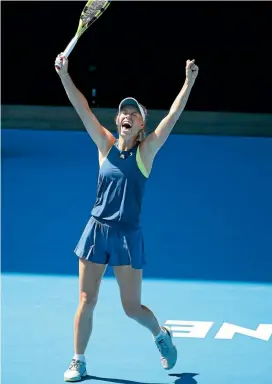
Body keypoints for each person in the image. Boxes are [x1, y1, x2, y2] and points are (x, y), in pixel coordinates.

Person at [54, 52, 199, 382]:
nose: (127, 116)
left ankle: (160, 335)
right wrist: (64, 75)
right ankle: (79, 361)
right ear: (118, 119)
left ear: (141, 125)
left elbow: (172, 119)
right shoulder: (104, 144)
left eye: (134, 114)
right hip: (96, 230)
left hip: (126, 236)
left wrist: (188, 82)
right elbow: (82, 109)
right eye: (124, 112)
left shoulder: (146, 152)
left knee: (131, 308)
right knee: (86, 299)